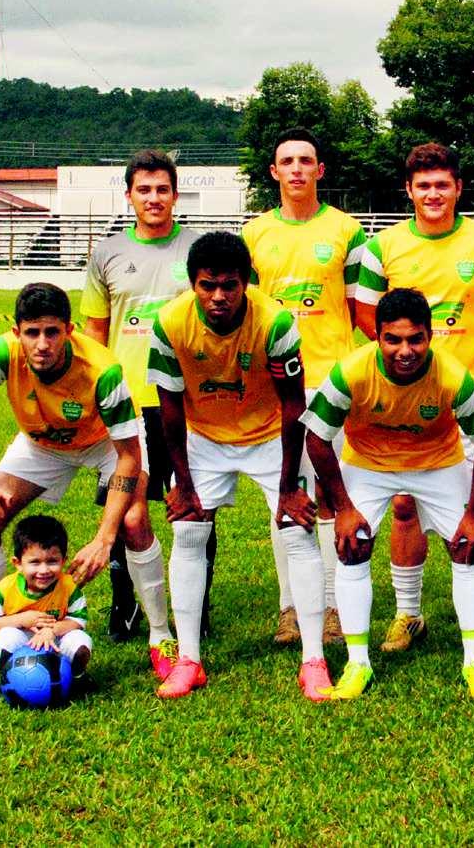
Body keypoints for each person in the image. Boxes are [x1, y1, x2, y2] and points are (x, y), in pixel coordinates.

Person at [147, 231, 330, 702]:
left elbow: (294, 405)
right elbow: (169, 408)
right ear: (192, 283)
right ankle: (189, 660)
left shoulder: (276, 323)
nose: (218, 296)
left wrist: (289, 486)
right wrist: (183, 483)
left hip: (271, 435)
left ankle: (314, 660)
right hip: (205, 436)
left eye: (229, 285)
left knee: (297, 532)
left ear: (246, 281)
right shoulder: (169, 323)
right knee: (188, 531)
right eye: (207, 285)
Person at [302, 289, 474, 701]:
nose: (405, 350)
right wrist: (343, 508)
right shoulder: (350, 372)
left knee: (467, 547)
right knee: (353, 545)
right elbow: (317, 438)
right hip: (369, 463)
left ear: (430, 336)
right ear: (376, 337)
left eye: (415, 339)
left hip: (437, 463)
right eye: (393, 339)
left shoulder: (452, 376)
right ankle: (358, 663)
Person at [0, 282, 142, 678]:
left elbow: (129, 456)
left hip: (106, 443)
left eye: (52, 332)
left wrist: (104, 538)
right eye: (32, 332)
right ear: (16, 332)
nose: (43, 343)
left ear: (70, 330)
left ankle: (162, 641)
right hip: (42, 443)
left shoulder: (103, 370)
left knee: (133, 522)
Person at [353, 142, 474, 654]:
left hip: (469, 395)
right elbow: (365, 318)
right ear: (408, 190)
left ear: (459, 188)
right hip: (407, 399)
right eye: (423, 186)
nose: (433, 194)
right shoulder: (383, 247)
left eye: (442, 185)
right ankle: (408, 614)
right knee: (404, 504)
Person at [243, 127, 366, 647]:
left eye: (306, 160)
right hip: (277, 384)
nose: (297, 169)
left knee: (332, 494)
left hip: (331, 380)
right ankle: (290, 607)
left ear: (320, 170)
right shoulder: (254, 233)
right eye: (287, 161)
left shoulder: (347, 230)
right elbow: (246, 311)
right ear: (274, 172)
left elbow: (361, 308)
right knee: (287, 493)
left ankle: (334, 607)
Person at [81, 148, 193, 673]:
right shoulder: (106, 253)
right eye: (144, 189)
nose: (153, 198)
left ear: (175, 195)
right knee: (127, 512)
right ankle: (125, 605)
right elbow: (93, 337)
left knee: (192, 509)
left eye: (162, 189)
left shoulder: (195, 250)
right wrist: (95, 401)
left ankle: (194, 608)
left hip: (185, 401)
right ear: (129, 195)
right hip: (126, 406)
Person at [0, 514, 92, 679]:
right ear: (18, 563)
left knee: (80, 639)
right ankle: (9, 679)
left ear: (63, 561)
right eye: (35, 562)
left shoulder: (69, 587)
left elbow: (78, 621)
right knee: (6, 637)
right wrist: (22, 619)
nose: (44, 570)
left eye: (52, 561)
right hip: (23, 639)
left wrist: (52, 630)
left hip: (56, 638)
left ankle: (76, 676)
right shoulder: (4, 589)